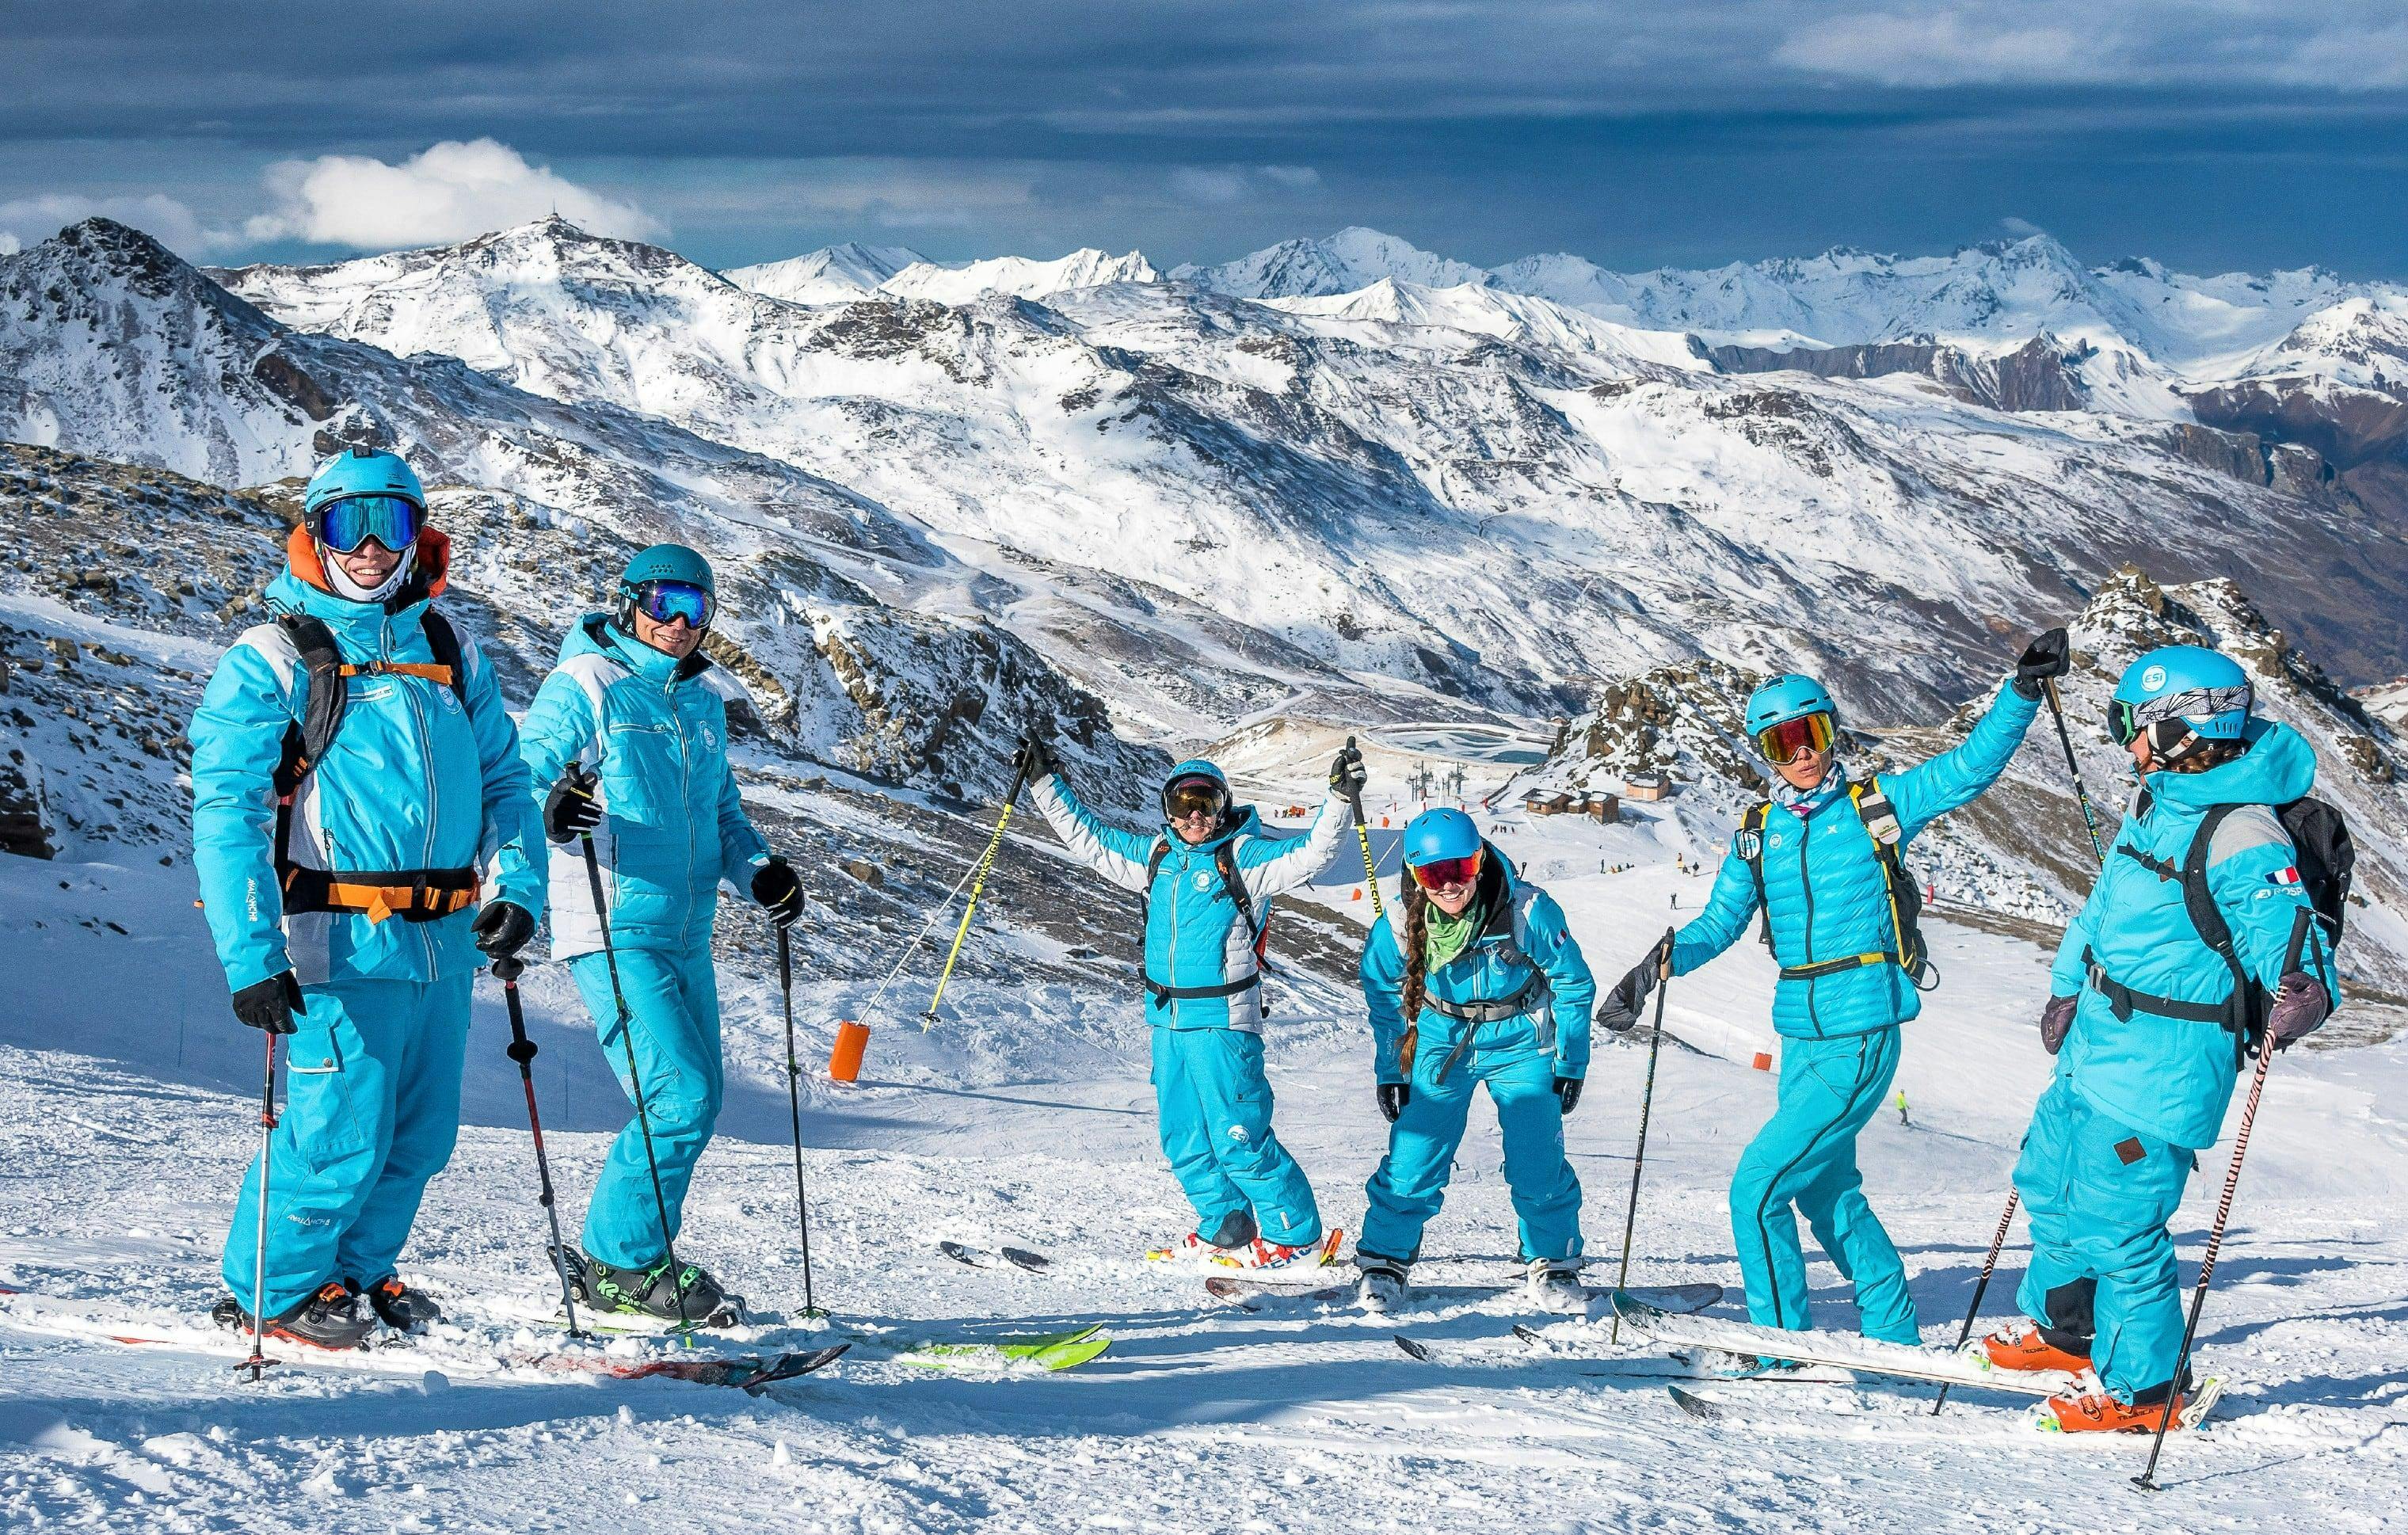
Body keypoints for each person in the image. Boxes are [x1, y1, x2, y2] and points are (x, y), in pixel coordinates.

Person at [1598, 630, 2067, 1354]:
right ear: (1766, 755)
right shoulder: (1759, 832)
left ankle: (1780, 1342)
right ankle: (1890, 1326)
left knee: (1756, 1188)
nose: (1803, 754)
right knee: (1823, 1190)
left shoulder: (1877, 804)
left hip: (1862, 1024)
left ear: (1830, 729)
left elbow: (1969, 768)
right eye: (1783, 745)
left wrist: (2022, 692)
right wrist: (1661, 963)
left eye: (1811, 734)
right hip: (1801, 1032)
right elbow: (1721, 922)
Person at [190, 447, 545, 1348]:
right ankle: (271, 1290)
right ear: (316, 534)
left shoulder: (444, 644)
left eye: (392, 525)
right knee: (336, 1131)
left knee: (420, 1136)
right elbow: (226, 813)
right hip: (334, 938)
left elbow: (507, 778)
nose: (373, 549)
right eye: (351, 526)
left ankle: (353, 1274)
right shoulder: (274, 655)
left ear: (417, 534)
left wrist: (521, 888)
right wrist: (251, 955)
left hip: (443, 939)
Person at [1984, 645, 2334, 1432]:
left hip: (2163, 1065)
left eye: (2133, 726)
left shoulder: (2245, 837)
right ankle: (2066, 1332)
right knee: (2047, 1181)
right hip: (2096, 1042)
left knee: (2118, 1223)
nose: (2125, 743)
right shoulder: (2159, 802)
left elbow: (2294, 950)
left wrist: (2304, 995)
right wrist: (2068, 985)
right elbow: (2101, 906)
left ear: (2184, 730)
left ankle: (2146, 1391)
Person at [519, 544, 805, 1323]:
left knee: (696, 1099)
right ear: (628, 601)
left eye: (697, 606)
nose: (680, 622)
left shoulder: (702, 701)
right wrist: (552, 808)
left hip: (685, 930)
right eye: (665, 602)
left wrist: (760, 873)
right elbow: (521, 773)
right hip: (612, 923)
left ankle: (634, 1257)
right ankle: (620, 1265)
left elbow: (723, 815)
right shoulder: (586, 682)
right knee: (677, 1093)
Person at [1021, 734, 1358, 1266]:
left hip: (1223, 1019)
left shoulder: (1244, 858)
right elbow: (1087, 838)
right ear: (1168, 809)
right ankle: (1226, 1221)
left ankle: (1294, 1237)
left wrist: (1339, 799)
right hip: (1167, 1019)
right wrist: (1044, 783)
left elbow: (1313, 853)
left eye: (1208, 804)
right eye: (1184, 804)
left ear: (1224, 808)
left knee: (1238, 1135)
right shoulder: (1157, 857)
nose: (1196, 816)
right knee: (1182, 1134)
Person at [1354, 808, 1597, 1312]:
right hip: (1442, 1039)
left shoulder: (1528, 911)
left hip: (1520, 1042)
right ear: (1416, 875)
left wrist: (1571, 1061)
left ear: (1479, 859)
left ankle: (1552, 1259)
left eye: (1459, 870)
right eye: (1432, 874)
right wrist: (1391, 1068)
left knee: (1537, 1157)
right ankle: (1386, 1258)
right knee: (1415, 1153)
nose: (1448, 887)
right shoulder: (1400, 923)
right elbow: (1382, 991)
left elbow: (1573, 982)